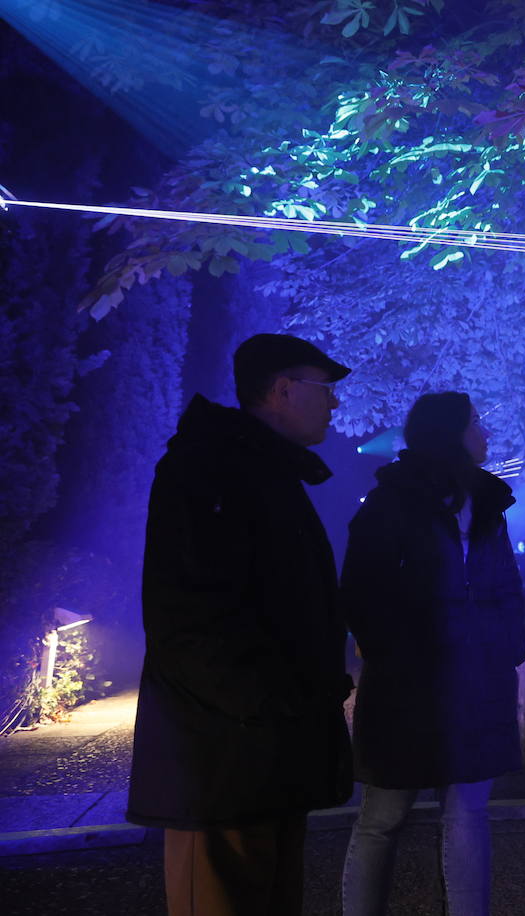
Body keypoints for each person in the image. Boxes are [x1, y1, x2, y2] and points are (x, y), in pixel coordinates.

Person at [127, 333, 355, 916]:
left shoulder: (259, 469)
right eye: (325, 389)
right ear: (281, 390)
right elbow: (191, 620)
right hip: (226, 760)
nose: (334, 403)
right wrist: (274, 703)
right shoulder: (214, 469)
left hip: (263, 751)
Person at [339, 392, 525, 916]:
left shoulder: (486, 500)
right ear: (450, 433)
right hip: (408, 684)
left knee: (467, 810)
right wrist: (395, 657)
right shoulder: (393, 500)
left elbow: (506, 584)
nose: (485, 434)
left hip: (476, 680)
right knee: (384, 813)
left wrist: (505, 649)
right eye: (476, 424)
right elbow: (360, 590)